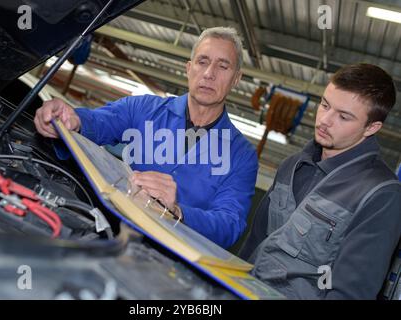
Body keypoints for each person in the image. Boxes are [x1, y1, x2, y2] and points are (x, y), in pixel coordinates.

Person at [34, 27, 258, 249]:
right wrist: (72, 121)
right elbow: (99, 121)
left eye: (223, 66)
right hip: (108, 233)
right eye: (202, 61)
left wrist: (178, 211)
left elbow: (230, 223)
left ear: (236, 79)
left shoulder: (242, 156)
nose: (209, 73)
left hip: (169, 261)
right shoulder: (143, 108)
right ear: (189, 69)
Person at [240, 63, 401, 299]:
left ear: (372, 127)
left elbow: (349, 292)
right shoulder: (292, 166)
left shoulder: (381, 195)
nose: (325, 120)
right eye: (325, 105)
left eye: (344, 117)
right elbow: (254, 244)